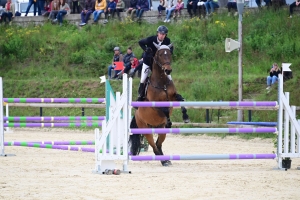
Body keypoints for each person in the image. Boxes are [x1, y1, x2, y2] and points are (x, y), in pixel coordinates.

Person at [133, 25, 176, 102]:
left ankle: (175, 94)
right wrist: (146, 49)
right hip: (148, 62)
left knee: (169, 77)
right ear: (157, 33)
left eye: (163, 34)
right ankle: (140, 96)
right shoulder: (151, 39)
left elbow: (170, 48)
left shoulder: (167, 41)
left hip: (159, 64)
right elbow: (140, 42)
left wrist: (170, 52)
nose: (162, 36)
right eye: (160, 33)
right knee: (143, 78)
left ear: (165, 35)